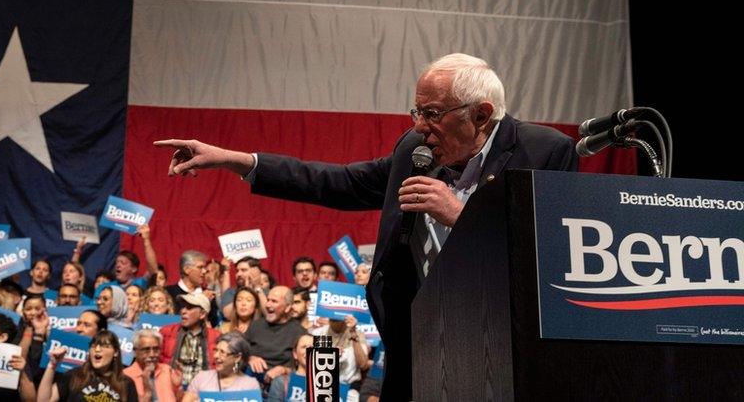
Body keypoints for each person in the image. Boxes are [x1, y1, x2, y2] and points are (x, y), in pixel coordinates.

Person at [155, 52, 578, 396]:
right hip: (419, 349)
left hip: (502, 354)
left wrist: (460, 217)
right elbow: (338, 183)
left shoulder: (544, 153)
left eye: (431, 113)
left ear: (481, 115)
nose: (418, 127)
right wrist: (236, 161)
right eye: (416, 111)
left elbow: (556, 262)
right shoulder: (415, 149)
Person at [39, 330, 138, 402]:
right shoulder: (75, 375)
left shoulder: (126, 383)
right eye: (93, 346)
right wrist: (52, 365)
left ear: (115, 352)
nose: (97, 349)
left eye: (104, 346)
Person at [244, 286, 306, 388]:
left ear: (287, 308)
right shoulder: (255, 325)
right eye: (268, 300)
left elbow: (306, 369)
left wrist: (285, 370)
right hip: (252, 381)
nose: (268, 304)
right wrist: (249, 358)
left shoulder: (299, 332)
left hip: (281, 385)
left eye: (274, 301)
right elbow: (237, 353)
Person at [158, 293, 219, 387]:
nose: (183, 311)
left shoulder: (216, 337)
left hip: (203, 392)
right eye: (182, 307)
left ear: (202, 314)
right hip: (172, 389)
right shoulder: (166, 332)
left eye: (189, 307)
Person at [184, 332, 260, 399]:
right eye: (216, 350)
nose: (216, 356)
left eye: (222, 352)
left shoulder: (250, 385)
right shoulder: (201, 378)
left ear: (237, 357)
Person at [310, 315, 370, 395]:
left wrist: (353, 333)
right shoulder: (319, 333)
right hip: (322, 386)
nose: (336, 321)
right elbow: (311, 365)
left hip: (350, 388)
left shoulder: (357, 334)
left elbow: (363, 365)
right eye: (333, 318)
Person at [123, 329, 183, 402]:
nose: (152, 354)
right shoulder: (125, 376)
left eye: (156, 349)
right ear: (135, 351)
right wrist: (147, 391)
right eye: (146, 350)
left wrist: (178, 386)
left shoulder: (167, 370)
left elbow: (179, 399)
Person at [266, 333, 314, 402]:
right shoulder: (281, 382)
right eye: (304, 347)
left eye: (312, 347)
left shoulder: (326, 383)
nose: (309, 351)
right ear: (295, 354)